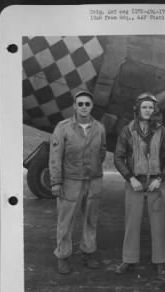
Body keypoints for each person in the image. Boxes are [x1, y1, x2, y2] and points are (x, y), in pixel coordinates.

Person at [114, 92, 165, 279]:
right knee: (132, 222)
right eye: (144, 107)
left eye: (151, 107)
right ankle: (129, 259)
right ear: (138, 109)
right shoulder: (128, 130)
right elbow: (118, 157)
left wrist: (160, 178)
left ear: (155, 109)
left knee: (158, 224)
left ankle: (160, 261)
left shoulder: (163, 131)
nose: (148, 110)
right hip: (135, 182)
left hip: (156, 183)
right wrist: (130, 178)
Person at [49, 90, 106, 274]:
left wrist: (93, 167)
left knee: (91, 219)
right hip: (70, 180)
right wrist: (56, 182)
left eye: (87, 104)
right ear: (74, 106)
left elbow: (102, 152)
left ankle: (88, 252)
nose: (83, 107)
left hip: (93, 179)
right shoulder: (63, 127)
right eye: (80, 104)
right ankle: (63, 256)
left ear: (92, 107)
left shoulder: (99, 127)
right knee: (65, 221)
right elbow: (55, 157)